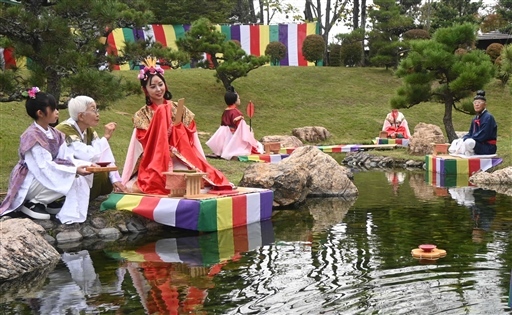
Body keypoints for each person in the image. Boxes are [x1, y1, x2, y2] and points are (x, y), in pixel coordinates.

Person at [121, 58, 232, 195]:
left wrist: (177, 135)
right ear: (145, 90)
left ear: (165, 85)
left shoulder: (178, 108)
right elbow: (145, 141)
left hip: (181, 157)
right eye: (152, 86)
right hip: (155, 161)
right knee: (158, 182)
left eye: (160, 84)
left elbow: (191, 134)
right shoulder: (142, 115)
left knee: (193, 179)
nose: (158, 89)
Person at [0, 87, 94, 222]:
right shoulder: (32, 136)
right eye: (53, 109)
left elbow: (65, 157)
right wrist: (73, 170)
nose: (57, 112)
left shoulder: (56, 134)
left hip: (43, 175)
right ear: (40, 113)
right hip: (30, 178)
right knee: (70, 175)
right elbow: (42, 166)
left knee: (77, 172)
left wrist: (84, 166)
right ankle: (34, 201)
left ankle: (46, 201)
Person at [56, 95, 127, 200]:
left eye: (97, 109)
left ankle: (86, 195)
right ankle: (67, 199)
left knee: (107, 182)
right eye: (93, 110)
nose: (97, 114)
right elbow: (87, 155)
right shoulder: (65, 129)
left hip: (78, 171)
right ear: (81, 116)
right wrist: (105, 138)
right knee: (98, 174)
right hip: (62, 172)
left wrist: (115, 179)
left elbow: (103, 154)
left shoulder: (89, 130)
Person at [206, 86, 264, 160]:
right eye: (238, 98)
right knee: (259, 146)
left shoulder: (226, 111)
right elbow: (239, 128)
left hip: (225, 137)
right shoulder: (236, 112)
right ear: (235, 100)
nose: (239, 100)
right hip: (233, 137)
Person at [449, 90, 497, 156]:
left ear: (485, 105)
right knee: (456, 141)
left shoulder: (488, 117)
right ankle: (465, 151)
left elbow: (483, 134)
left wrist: (468, 139)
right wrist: (463, 139)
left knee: (469, 142)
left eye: (479, 102)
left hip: (487, 146)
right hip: (478, 143)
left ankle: (470, 151)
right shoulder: (475, 118)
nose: (477, 104)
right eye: (475, 103)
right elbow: (470, 133)